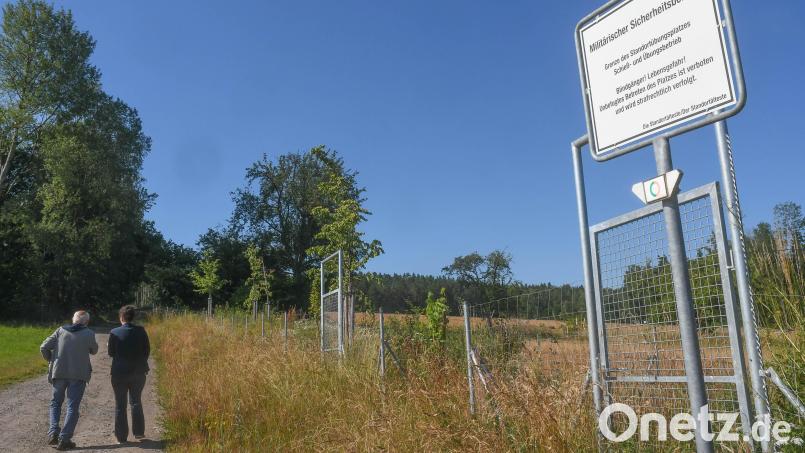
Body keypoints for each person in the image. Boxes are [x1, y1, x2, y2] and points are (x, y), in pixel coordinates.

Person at [40, 310, 99, 451]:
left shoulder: (60, 331)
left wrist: (52, 360)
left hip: (59, 373)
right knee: (72, 407)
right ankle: (64, 439)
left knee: (55, 403)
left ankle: (53, 432)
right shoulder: (89, 333)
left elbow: (43, 347)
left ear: (73, 320)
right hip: (78, 375)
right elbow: (94, 350)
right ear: (86, 322)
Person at [108, 305, 151, 443]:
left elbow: (111, 352)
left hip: (119, 373)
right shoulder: (141, 331)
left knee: (120, 404)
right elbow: (146, 351)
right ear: (133, 317)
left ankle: (121, 437)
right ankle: (139, 433)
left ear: (121, 317)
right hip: (138, 372)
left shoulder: (114, 332)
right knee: (136, 402)